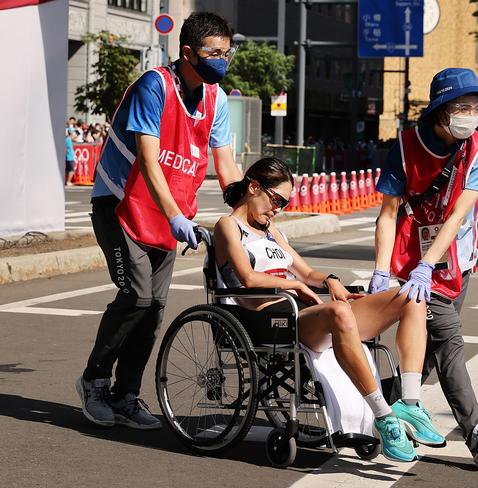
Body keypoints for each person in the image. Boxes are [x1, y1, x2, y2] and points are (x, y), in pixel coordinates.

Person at [213, 157, 446, 462]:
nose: (278, 209)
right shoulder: (228, 225)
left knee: (411, 297)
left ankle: (410, 403)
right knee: (338, 312)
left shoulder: (273, 233)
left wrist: (330, 281)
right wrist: (294, 287)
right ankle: (383, 416)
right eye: (276, 200)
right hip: (267, 318)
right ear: (254, 187)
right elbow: (247, 277)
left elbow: (307, 273)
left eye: (284, 203)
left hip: (300, 313)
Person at [75, 12, 241, 431]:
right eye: (214, 53)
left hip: (169, 215)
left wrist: (248, 210)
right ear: (187, 52)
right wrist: (174, 216)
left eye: (227, 52)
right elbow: (149, 160)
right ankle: (94, 382)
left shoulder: (216, 98)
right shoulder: (154, 86)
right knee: (138, 296)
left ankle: (126, 396)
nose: (223, 60)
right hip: (120, 205)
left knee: (155, 311)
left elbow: (224, 162)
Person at [369, 68, 478, 467]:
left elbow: (457, 216)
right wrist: (383, 270)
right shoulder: (405, 145)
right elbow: (388, 212)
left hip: (457, 262)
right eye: (462, 106)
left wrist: (432, 264)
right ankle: (477, 432)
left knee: (430, 352)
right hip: (415, 264)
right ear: (440, 112)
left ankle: (372, 407)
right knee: (449, 340)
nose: (472, 114)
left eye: (477, 107)